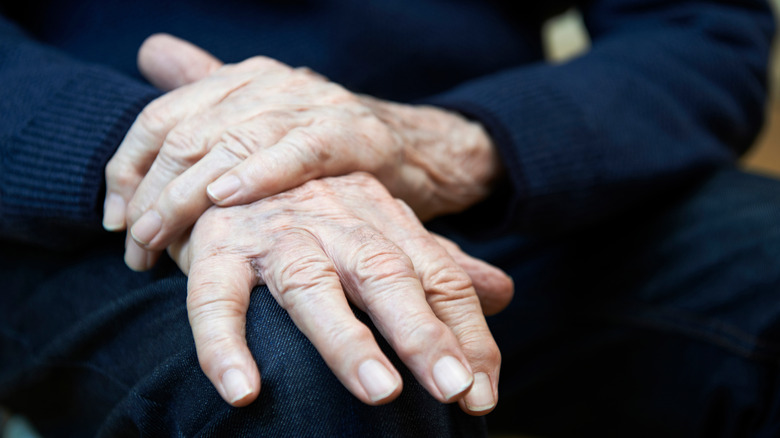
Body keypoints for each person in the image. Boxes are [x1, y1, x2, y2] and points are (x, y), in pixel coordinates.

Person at [1, 0, 777, 436]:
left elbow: (701, 32)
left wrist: (443, 145)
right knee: (298, 374)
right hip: (92, 213)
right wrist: (184, 155)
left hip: (489, 184)